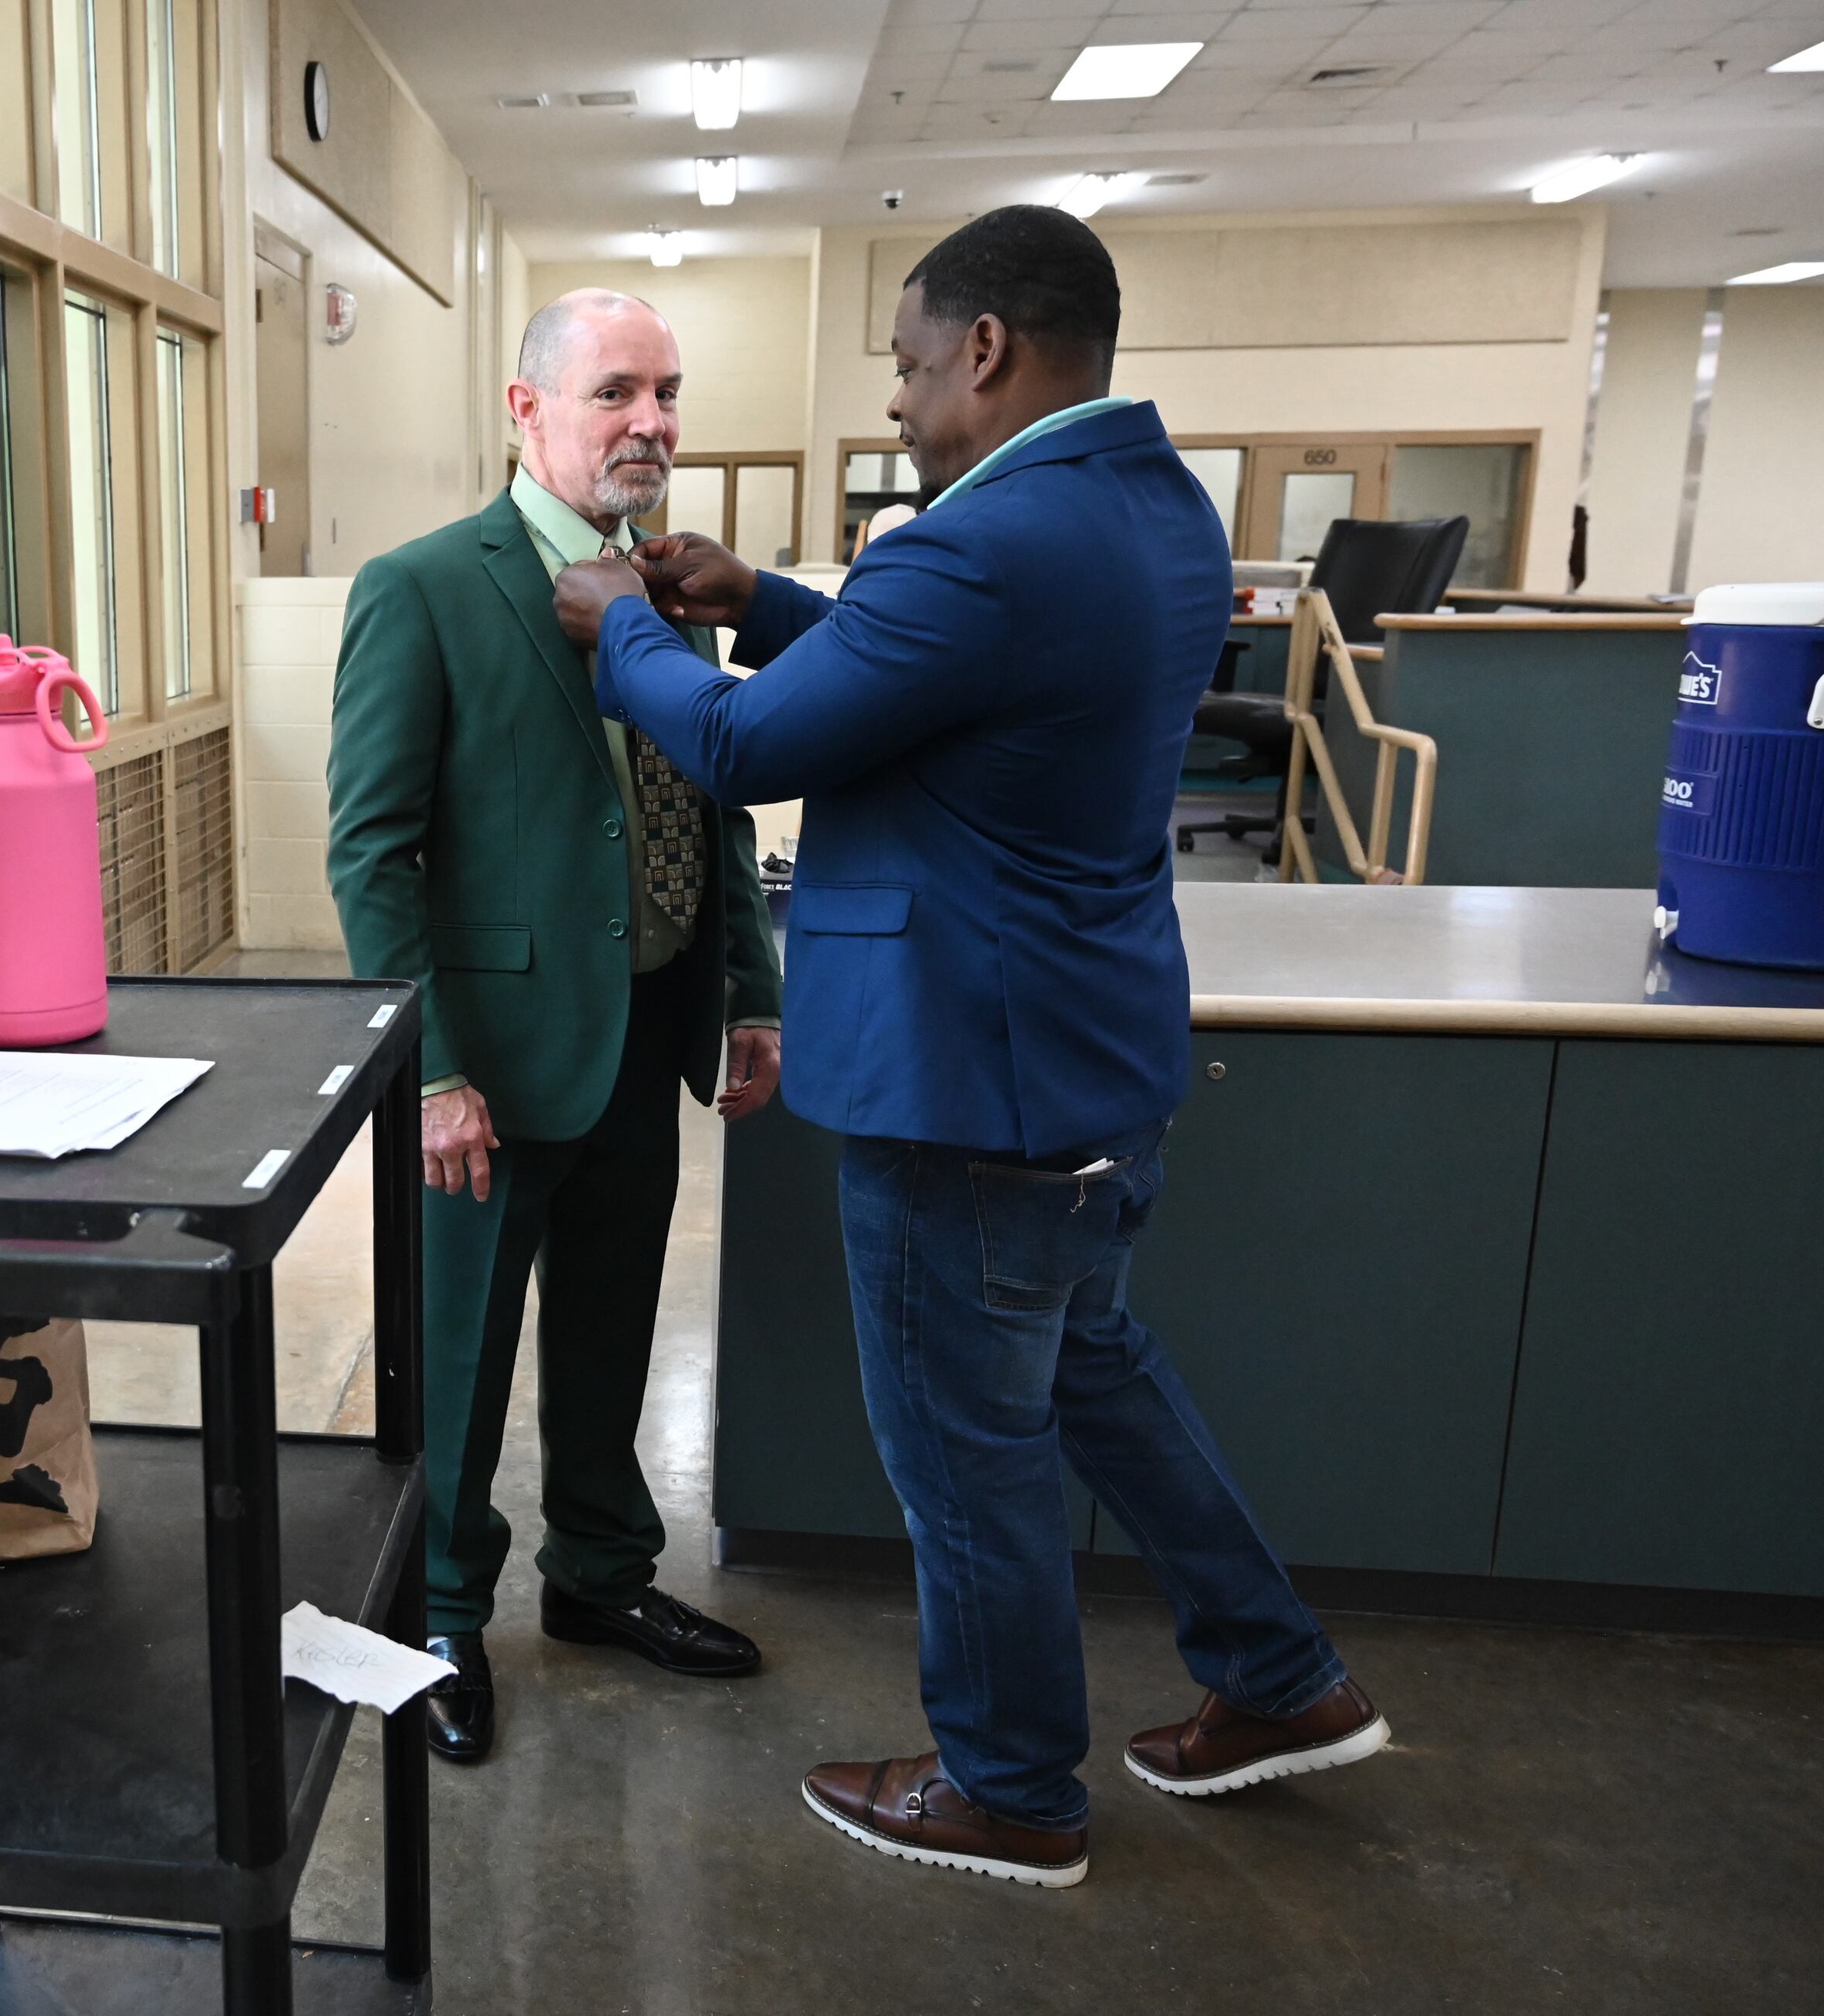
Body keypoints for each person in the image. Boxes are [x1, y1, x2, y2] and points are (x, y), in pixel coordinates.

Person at [552, 208, 1388, 1887]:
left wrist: (624, 626)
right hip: (1089, 1064)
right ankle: (1279, 1674)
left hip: (970, 1086)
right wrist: (770, 594)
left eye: (915, 365)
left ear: (988, 349)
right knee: (1096, 1374)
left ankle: (1009, 1782)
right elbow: (952, 682)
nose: (910, 399)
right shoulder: (1148, 504)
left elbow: (737, 745)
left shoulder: (978, 539)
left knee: (963, 1445)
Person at [326, 289, 785, 1765]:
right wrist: (432, 1069)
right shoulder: (427, 588)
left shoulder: (667, 587)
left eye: (666, 391)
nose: (649, 420)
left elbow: (703, 797)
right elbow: (370, 849)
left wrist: (749, 989)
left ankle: (600, 1575)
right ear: (525, 411)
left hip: (645, 1029)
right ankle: (443, 1615)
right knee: (461, 1355)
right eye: (614, 393)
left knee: (612, 1327)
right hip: (493, 1059)